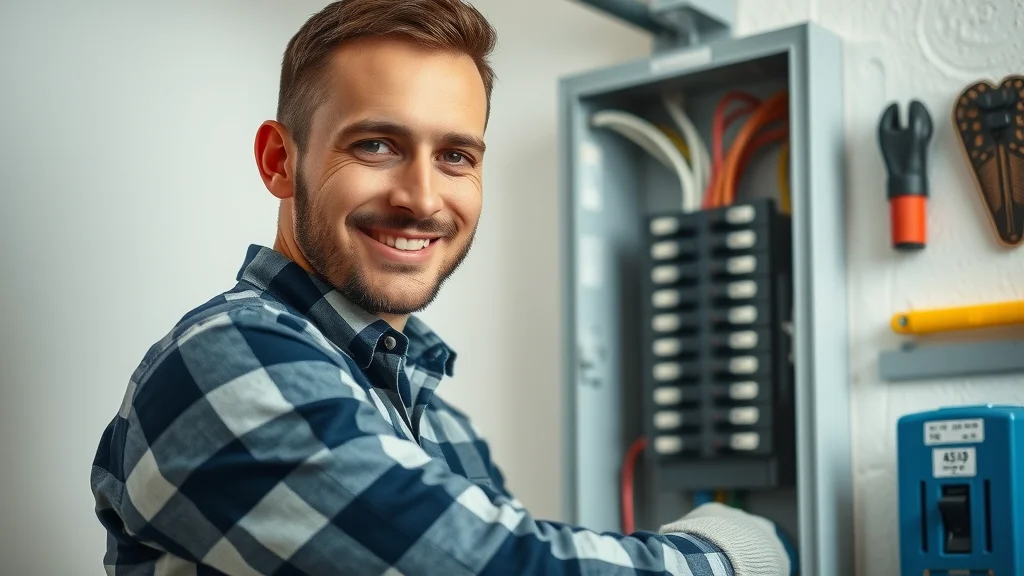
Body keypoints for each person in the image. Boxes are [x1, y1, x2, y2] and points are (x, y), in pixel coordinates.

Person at [90, 1, 792, 574]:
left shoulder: (444, 427)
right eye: (376, 145)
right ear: (280, 160)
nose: (423, 198)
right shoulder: (223, 360)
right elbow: (501, 569)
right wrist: (733, 556)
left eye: (455, 155)